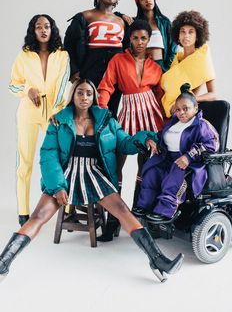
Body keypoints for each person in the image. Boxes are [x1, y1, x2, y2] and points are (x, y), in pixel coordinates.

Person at [0, 79, 184, 283]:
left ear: (94, 97)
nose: (84, 97)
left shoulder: (106, 120)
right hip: (65, 176)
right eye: (80, 93)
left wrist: (144, 139)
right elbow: (48, 155)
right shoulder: (58, 122)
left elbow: (124, 142)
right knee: (38, 216)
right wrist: (58, 186)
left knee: (122, 210)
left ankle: (157, 260)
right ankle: (3, 264)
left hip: (95, 174)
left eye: (88, 93)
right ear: (73, 95)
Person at [97, 19, 164, 241]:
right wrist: (104, 113)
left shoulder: (155, 67)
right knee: (117, 164)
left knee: (145, 168)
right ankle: (113, 221)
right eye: (135, 37)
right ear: (129, 38)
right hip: (126, 111)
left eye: (143, 38)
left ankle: (136, 218)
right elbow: (106, 86)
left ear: (148, 39)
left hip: (150, 115)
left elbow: (160, 95)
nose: (139, 42)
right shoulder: (118, 60)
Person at [9, 14, 70, 226]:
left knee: (61, 158)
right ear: (33, 31)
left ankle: (67, 208)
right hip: (28, 112)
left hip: (53, 112)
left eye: (47, 26)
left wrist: (56, 111)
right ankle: (23, 212)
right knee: (24, 162)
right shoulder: (24, 56)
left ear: (52, 30)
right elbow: (12, 85)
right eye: (38, 27)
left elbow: (63, 85)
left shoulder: (62, 56)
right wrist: (28, 89)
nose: (43, 30)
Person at [134, 83, 219, 223]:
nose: (181, 113)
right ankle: (145, 206)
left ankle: (165, 210)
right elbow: (161, 135)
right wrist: (153, 142)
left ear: (196, 108)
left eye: (186, 109)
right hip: (167, 158)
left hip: (189, 165)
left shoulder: (201, 125)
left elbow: (212, 144)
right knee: (151, 170)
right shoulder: (173, 122)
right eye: (178, 109)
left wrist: (189, 156)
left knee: (175, 176)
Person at [64, 0, 131, 118]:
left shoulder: (122, 20)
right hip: (93, 65)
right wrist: (74, 70)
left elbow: (128, 47)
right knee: (89, 106)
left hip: (116, 67)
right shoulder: (86, 16)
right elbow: (69, 43)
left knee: (111, 108)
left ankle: (108, 139)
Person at [161, 10, 217, 118]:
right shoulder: (176, 59)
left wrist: (187, 101)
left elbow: (213, 94)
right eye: (182, 31)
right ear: (178, 35)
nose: (186, 35)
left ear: (197, 35)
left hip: (186, 113)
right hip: (170, 113)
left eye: (191, 32)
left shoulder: (201, 58)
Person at [134, 0, 177, 72]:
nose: (147, 0)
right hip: (142, 66)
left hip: (160, 65)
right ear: (139, 4)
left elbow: (173, 46)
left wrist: (167, 67)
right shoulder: (136, 24)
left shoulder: (165, 22)